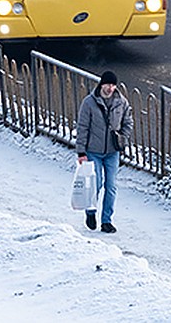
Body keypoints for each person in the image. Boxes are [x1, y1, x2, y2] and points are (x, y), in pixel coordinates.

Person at [76, 69, 133, 233]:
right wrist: (81, 152)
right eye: (108, 84)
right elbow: (82, 128)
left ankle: (107, 220)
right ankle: (91, 211)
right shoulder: (89, 103)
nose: (110, 88)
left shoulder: (121, 102)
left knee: (111, 186)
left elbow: (128, 122)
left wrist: (122, 137)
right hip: (93, 151)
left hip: (112, 152)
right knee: (97, 183)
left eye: (113, 85)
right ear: (101, 84)